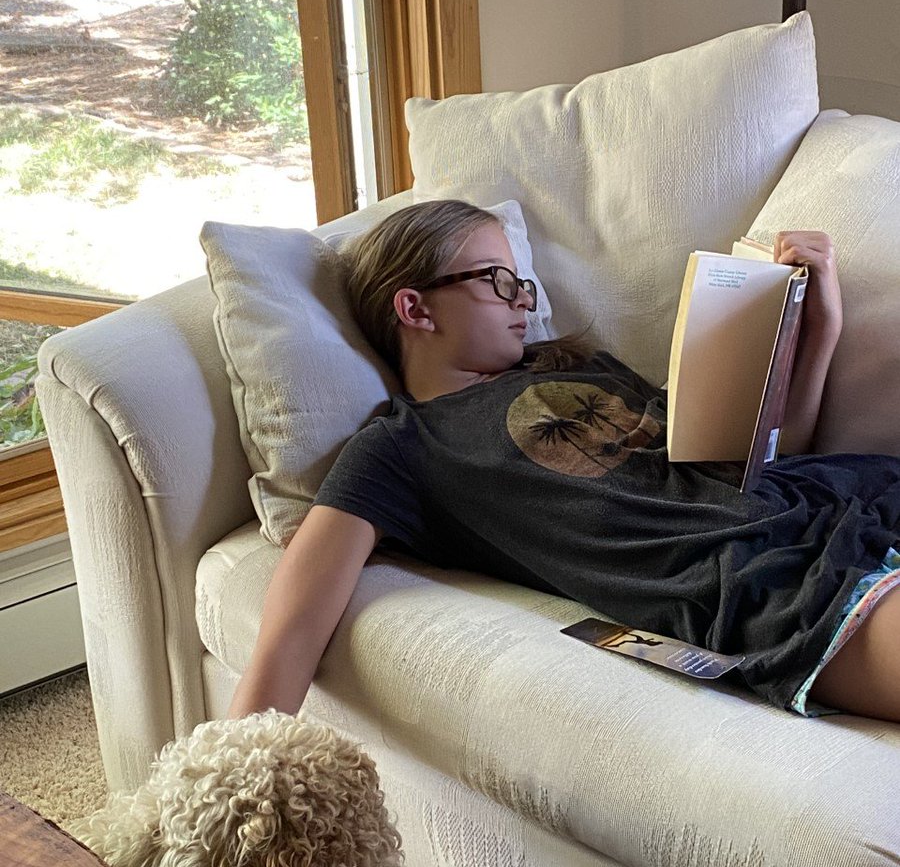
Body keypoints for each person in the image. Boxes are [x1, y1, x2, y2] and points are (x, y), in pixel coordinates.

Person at [227, 200, 900, 724]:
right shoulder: (404, 447)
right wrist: (230, 772)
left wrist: (820, 325)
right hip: (775, 586)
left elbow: (761, 463)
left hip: (850, 496)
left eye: (523, 286)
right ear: (415, 307)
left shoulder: (587, 365)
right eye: (500, 283)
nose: (525, 303)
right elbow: (292, 625)